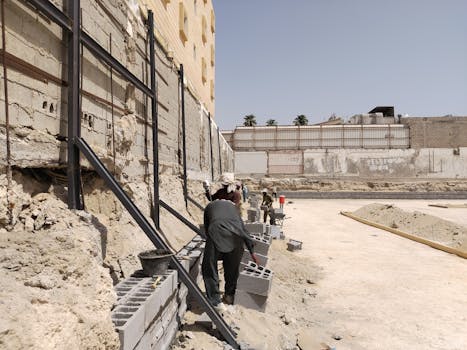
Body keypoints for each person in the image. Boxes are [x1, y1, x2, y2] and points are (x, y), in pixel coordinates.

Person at [202, 199, 258, 306]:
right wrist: (252, 252)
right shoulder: (235, 211)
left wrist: (213, 251)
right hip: (236, 236)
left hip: (216, 230)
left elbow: (207, 230)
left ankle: (215, 301)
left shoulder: (209, 207)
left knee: (209, 266)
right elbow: (244, 231)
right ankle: (229, 295)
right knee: (232, 267)